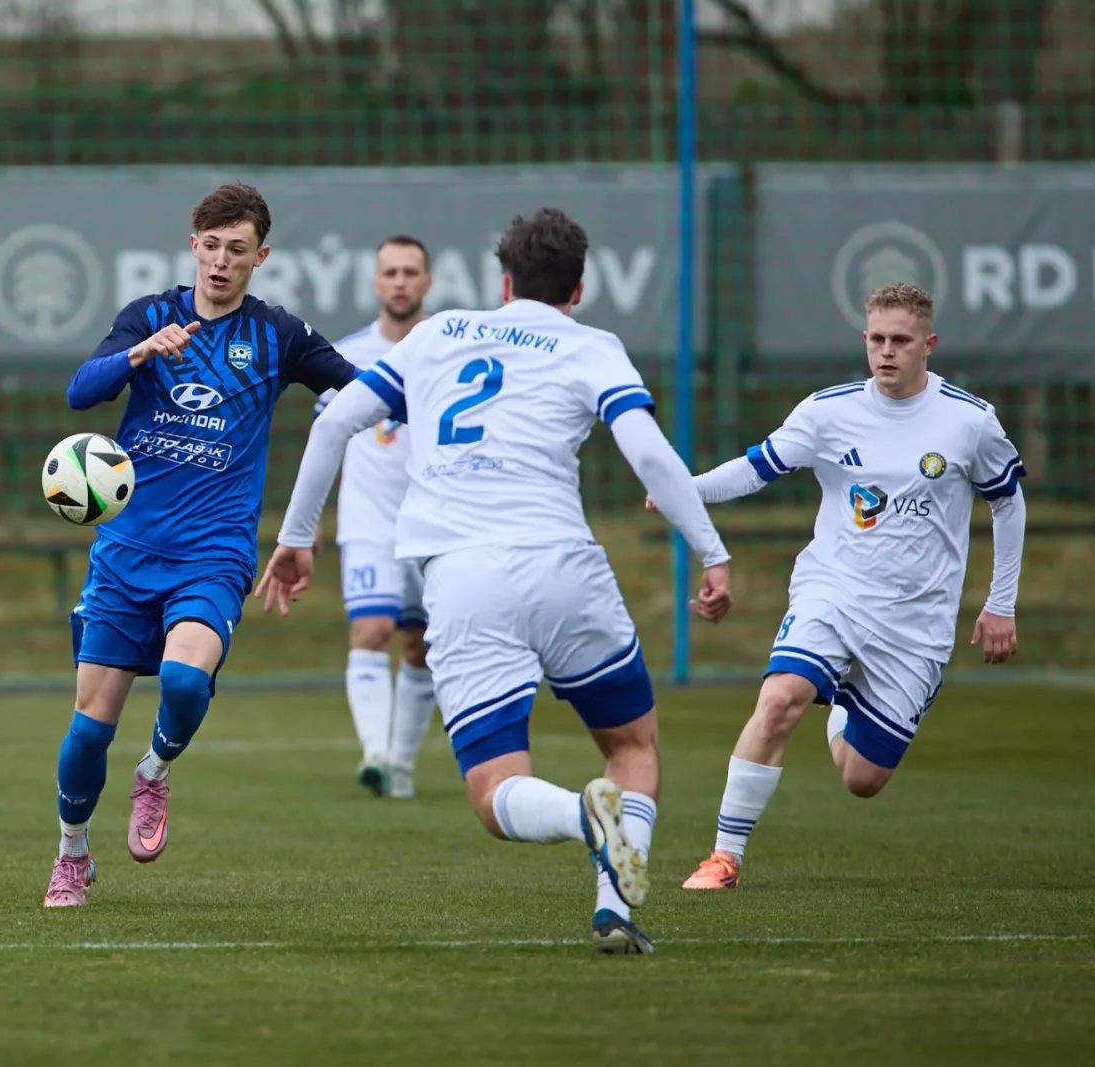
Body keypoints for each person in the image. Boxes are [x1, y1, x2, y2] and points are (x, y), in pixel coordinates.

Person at [255, 208, 735, 954]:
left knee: (493, 791)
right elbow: (649, 455)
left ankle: (580, 817)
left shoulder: (437, 333)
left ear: (504, 282)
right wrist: (711, 550)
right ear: (578, 289)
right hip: (564, 566)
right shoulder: (592, 345)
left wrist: (295, 537)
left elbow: (333, 424)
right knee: (633, 746)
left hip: (463, 578)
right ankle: (613, 904)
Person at [43, 182, 361, 908]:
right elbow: (80, 393)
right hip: (126, 552)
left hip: (214, 552)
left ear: (260, 257)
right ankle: (72, 853)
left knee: (185, 683)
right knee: (88, 731)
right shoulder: (148, 317)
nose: (221, 261)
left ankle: (153, 773)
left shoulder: (279, 336)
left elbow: (358, 387)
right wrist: (137, 355)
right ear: (194, 245)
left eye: (237, 250)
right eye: (211, 246)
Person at [663, 282, 1025, 891]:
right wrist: (684, 489)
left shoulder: (970, 421)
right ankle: (724, 858)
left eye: (901, 340)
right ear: (865, 340)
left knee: (863, 779)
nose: (887, 351)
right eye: (876, 339)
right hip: (833, 593)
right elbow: (756, 469)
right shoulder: (827, 412)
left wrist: (1001, 603)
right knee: (780, 699)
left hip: (916, 624)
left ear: (929, 344)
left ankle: (841, 700)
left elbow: (1008, 503)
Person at [316, 236, 439, 799]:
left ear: (427, 282)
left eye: (410, 272)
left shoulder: (446, 351)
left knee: (421, 646)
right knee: (372, 630)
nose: (400, 282)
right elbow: (326, 440)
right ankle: (376, 754)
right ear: (375, 283)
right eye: (390, 272)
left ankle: (403, 766)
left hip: (433, 525)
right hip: (368, 522)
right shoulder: (347, 356)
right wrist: (309, 523)